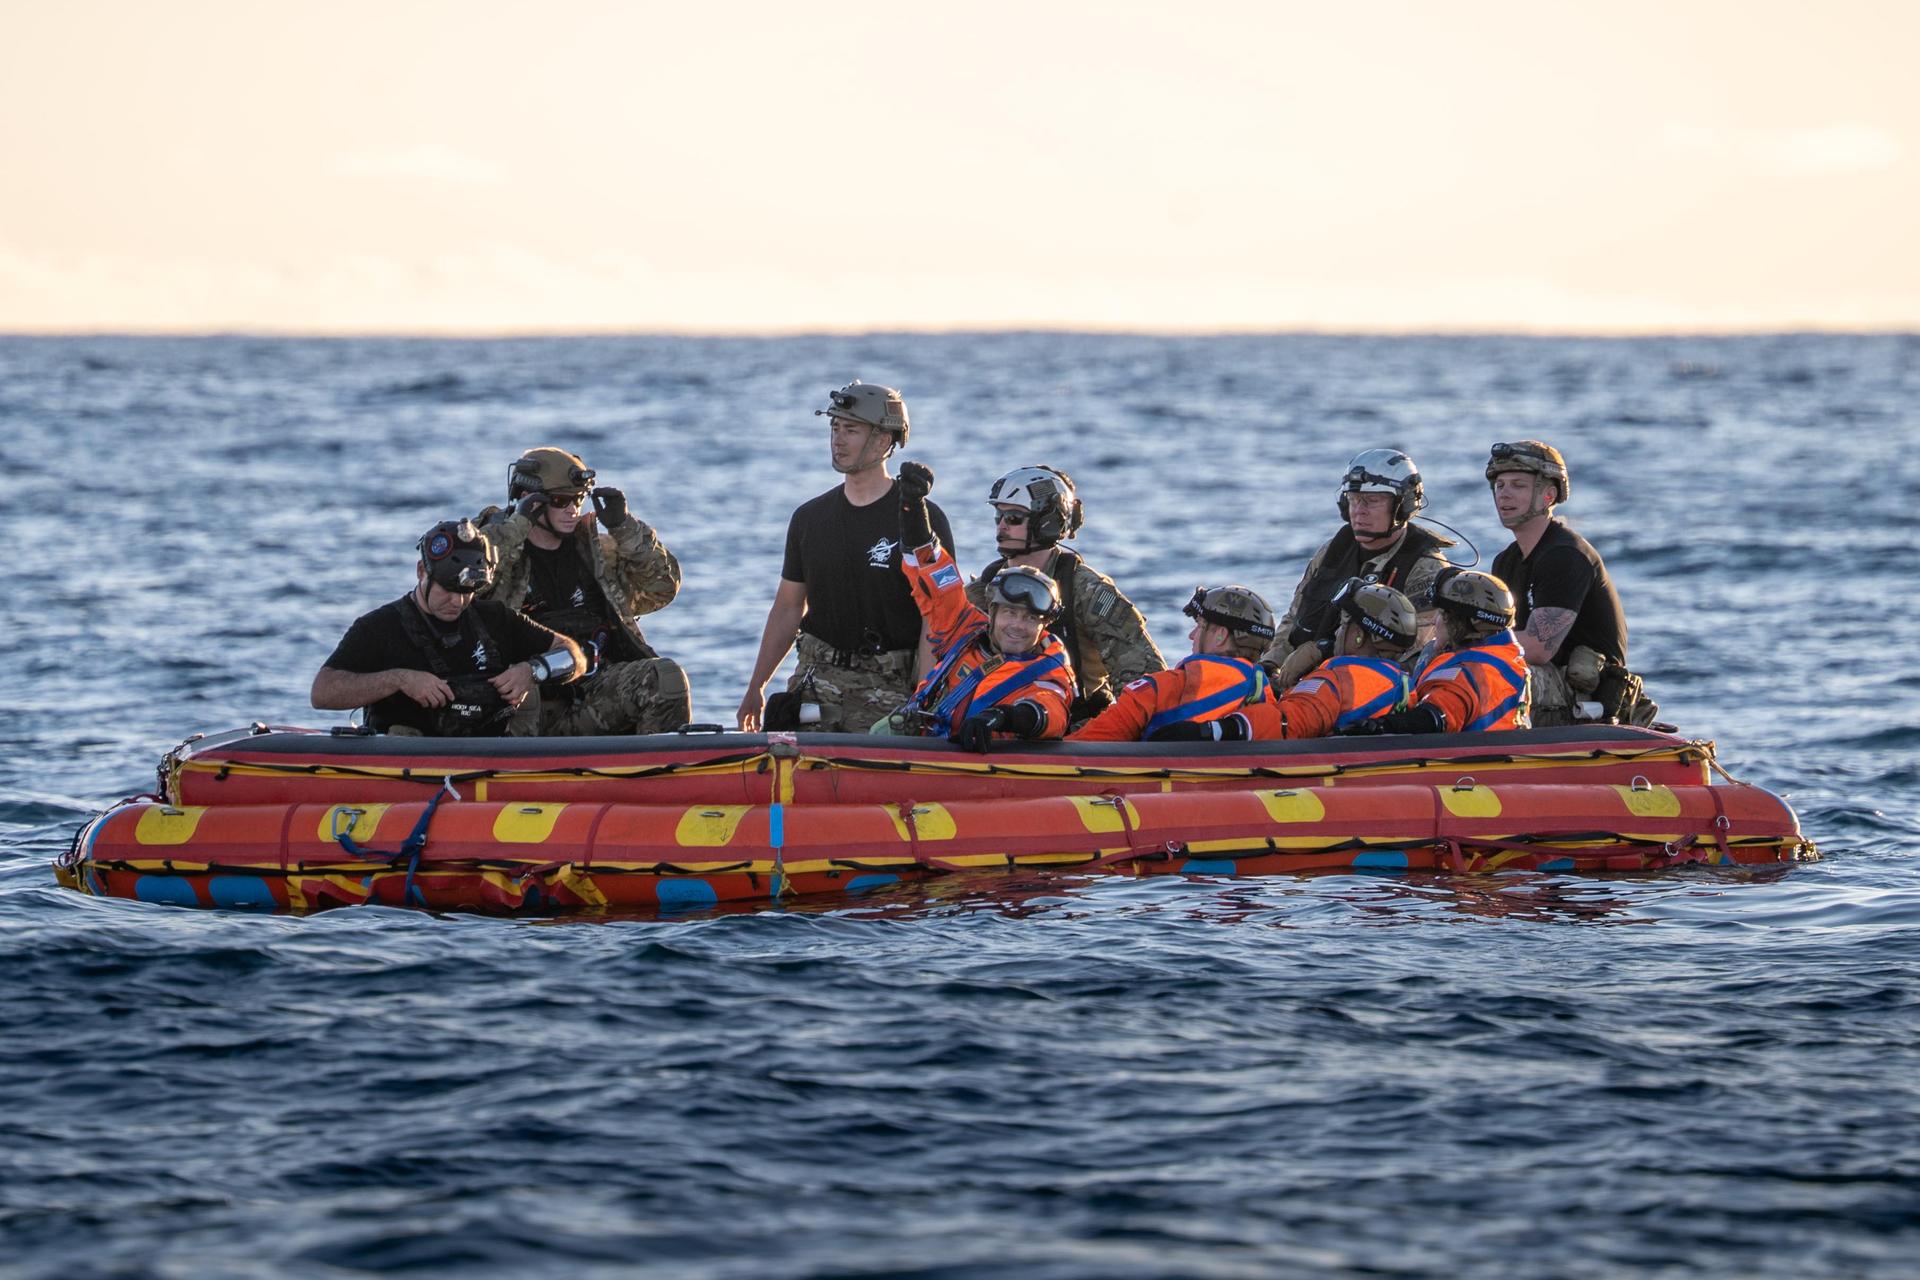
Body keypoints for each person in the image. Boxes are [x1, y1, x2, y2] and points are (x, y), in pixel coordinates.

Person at [737, 380, 955, 733]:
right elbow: (789, 606)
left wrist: (924, 700)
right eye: (835, 428)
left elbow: (937, 616)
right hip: (815, 682)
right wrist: (756, 686)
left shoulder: (920, 520)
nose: (838, 440)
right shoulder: (809, 518)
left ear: (884, 440)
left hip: (888, 690)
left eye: (850, 430)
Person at [473, 447, 689, 735]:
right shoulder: (492, 547)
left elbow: (662, 587)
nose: (573, 510)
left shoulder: (596, 554)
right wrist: (516, 528)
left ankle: (653, 772)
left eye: (579, 499)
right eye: (561, 501)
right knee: (522, 697)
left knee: (666, 678)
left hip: (593, 694)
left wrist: (625, 528)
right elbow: (465, 584)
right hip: (521, 702)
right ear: (530, 501)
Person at [311, 520, 584, 736]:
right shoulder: (379, 627)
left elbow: (574, 655)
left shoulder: (495, 619)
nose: (458, 601)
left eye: (469, 591)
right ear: (421, 572)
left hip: (494, 760)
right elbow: (322, 692)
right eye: (448, 589)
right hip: (408, 766)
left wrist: (533, 671)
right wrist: (400, 680)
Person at [885, 462, 1072, 750]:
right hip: (926, 752)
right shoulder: (963, 632)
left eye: (1030, 618)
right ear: (992, 612)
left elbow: (1050, 711)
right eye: (1010, 612)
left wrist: (1002, 717)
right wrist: (912, 506)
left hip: (992, 767)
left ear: (1044, 624)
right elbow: (932, 572)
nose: (1018, 626)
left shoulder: (1049, 667)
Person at [964, 465, 1164, 724]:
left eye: (1013, 518)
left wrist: (1110, 733)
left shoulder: (1087, 591)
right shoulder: (983, 590)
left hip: (1071, 734)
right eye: (998, 516)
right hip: (988, 723)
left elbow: (1146, 679)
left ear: (1046, 523)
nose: (1001, 526)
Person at [1485, 440, 1653, 726]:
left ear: (1548, 495)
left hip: (1581, 696)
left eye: (1518, 485)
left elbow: (1538, 648)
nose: (1505, 494)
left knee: (1487, 672)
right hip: (1541, 681)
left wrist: (1468, 648)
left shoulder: (1565, 555)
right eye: (1500, 486)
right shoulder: (1506, 561)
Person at [1260, 448, 1453, 690]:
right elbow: (1294, 618)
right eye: (1353, 499)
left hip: (1371, 690)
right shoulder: (1332, 551)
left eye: (1371, 501)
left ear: (1402, 505)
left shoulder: (1426, 568)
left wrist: (1323, 652)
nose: (1359, 510)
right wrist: (1270, 666)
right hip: (1306, 685)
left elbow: (1417, 656)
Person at [1069, 586, 1277, 742]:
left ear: (1220, 635)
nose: (1191, 635)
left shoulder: (1157, 689)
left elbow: (1088, 742)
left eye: (1200, 626)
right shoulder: (1265, 696)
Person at [1343, 568, 1530, 735]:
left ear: (1461, 622)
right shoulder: (1507, 658)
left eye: (1441, 614)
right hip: (1497, 759)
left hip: (1461, 765)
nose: (1434, 622)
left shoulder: (1467, 672)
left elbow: (1436, 717)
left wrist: (1380, 726)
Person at [1233, 580, 1418, 740]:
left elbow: (1290, 722)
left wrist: (1226, 726)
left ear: (1358, 635)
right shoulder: (1405, 685)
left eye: (1344, 625)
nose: (1337, 632)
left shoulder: (1335, 681)